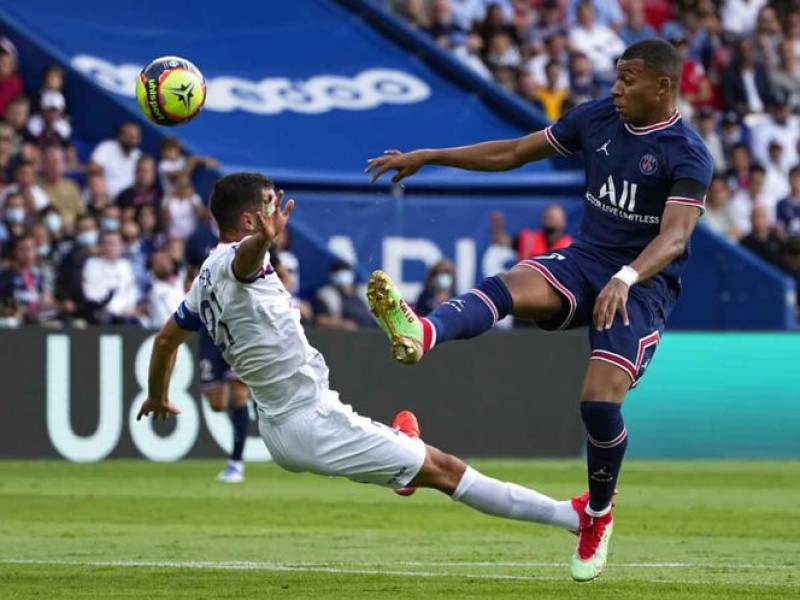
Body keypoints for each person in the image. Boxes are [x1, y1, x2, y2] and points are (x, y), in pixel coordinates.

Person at [365, 39, 713, 582]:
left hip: (642, 287)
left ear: (663, 86)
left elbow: (675, 236)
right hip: (586, 260)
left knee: (598, 406)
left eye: (628, 80)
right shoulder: (595, 119)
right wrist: (430, 157)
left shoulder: (687, 153)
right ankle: (424, 331)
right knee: (510, 285)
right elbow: (513, 152)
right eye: (616, 77)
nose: (616, 89)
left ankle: (597, 513)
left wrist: (626, 278)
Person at [136, 172, 583, 555]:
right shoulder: (239, 262)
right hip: (309, 422)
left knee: (412, 460)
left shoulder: (205, 276)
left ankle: (401, 464)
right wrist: (263, 240)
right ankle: (571, 517)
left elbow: (166, 339)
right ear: (250, 221)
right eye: (270, 205)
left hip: (281, 422)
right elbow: (244, 263)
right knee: (446, 471)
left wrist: (157, 395)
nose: (279, 212)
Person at [184, 208, 253, 483]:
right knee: (216, 402)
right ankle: (250, 409)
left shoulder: (251, 241)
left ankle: (236, 462)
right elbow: (190, 275)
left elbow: (282, 275)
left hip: (238, 328)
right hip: (209, 327)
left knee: (238, 394)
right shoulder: (198, 239)